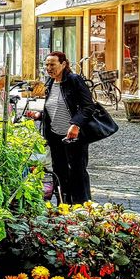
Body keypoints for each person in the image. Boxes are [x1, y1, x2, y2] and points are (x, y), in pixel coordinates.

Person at [41, 51, 96, 204]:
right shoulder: (50, 83)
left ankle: (82, 206)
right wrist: (39, 116)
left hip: (74, 136)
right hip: (55, 136)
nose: (48, 68)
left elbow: (88, 106)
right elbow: (54, 107)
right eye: (46, 64)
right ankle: (63, 204)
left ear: (63, 64)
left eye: (52, 64)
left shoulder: (74, 80)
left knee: (77, 172)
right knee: (59, 172)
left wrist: (76, 124)